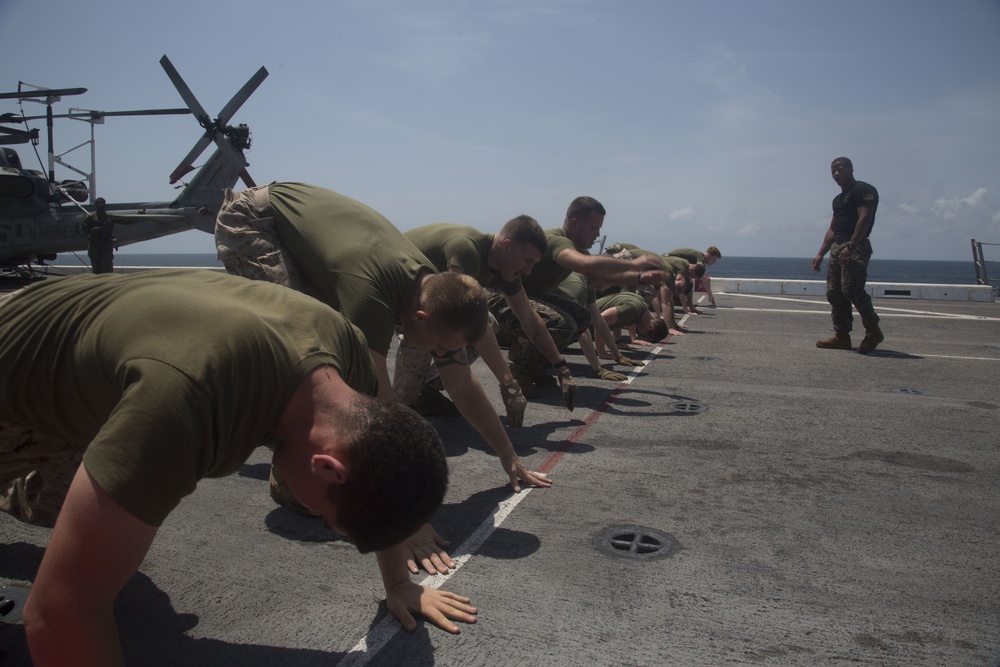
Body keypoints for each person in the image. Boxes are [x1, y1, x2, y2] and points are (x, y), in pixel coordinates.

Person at [0, 270, 465, 665]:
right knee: (81, 569)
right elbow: (59, 612)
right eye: (326, 516)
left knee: (88, 531)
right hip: (17, 370)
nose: (320, 518)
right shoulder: (185, 409)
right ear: (327, 469)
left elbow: (380, 476)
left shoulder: (349, 376)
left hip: (92, 354)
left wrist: (399, 583)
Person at [214, 183, 549, 620]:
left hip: (313, 230)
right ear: (421, 319)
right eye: (441, 349)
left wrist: (509, 455)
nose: (440, 358)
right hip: (255, 219)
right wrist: (403, 521)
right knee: (305, 346)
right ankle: (284, 460)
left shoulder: (432, 289)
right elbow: (376, 415)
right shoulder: (371, 300)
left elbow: (463, 385)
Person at [404, 217, 575, 423]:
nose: (529, 271)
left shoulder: (507, 268)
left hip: (424, 302)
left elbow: (529, 319)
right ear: (507, 246)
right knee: (427, 335)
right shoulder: (467, 251)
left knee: (489, 323)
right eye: (528, 261)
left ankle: (428, 390)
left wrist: (561, 367)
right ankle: (401, 404)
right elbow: (456, 313)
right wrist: (508, 383)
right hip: (398, 298)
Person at [491, 196, 666, 396]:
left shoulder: (578, 247)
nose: (597, 234)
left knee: (582, 318)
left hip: (526, 300)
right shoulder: (559, 242)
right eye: (593, 227)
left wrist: (639, 278)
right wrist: (635, 265)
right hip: (503, 301)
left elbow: (601, 276)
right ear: (575, 223)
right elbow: (584, 265)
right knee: (563, 325)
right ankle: (521, 368)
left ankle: (532, 364)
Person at [811, 157, 883, 354]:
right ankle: (842, 336)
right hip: (838, 245)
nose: (836, 174)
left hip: (855, 245)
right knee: (834, 292)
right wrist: (820, 254)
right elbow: (833, 229)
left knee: (851, 288)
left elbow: (865, 216)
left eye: (839, 169)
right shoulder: (838, 199)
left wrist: (852, 245)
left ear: (851, 169)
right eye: (832, 171)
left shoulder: (863, 190)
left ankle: (873, 331)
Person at [81, 197, 115, 274]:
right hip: (95, 245)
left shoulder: (109, 216)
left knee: (107, 267)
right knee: (96, 268)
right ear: (96, 205)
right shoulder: (91, 217)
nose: (101, 204)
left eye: (102, 203)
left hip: (106, 245)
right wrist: (95, 229)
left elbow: (124, 221)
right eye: (99, 203)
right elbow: (84, 229)